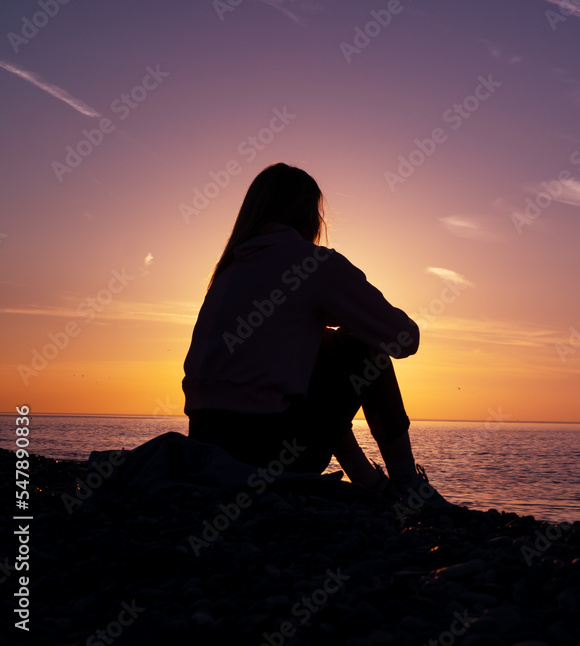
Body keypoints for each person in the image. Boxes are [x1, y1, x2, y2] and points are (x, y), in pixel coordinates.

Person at [182, 162, 445, 505]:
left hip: (207, 447)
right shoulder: (312, 264)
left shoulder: (228, 273)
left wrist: (322, 336)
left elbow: (265, 358)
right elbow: (404, 338)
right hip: (270, 455)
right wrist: (354, 330)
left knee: (318, 351)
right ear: (310, 215)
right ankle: (409, 487)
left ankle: (369, 481)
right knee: (369, 352)